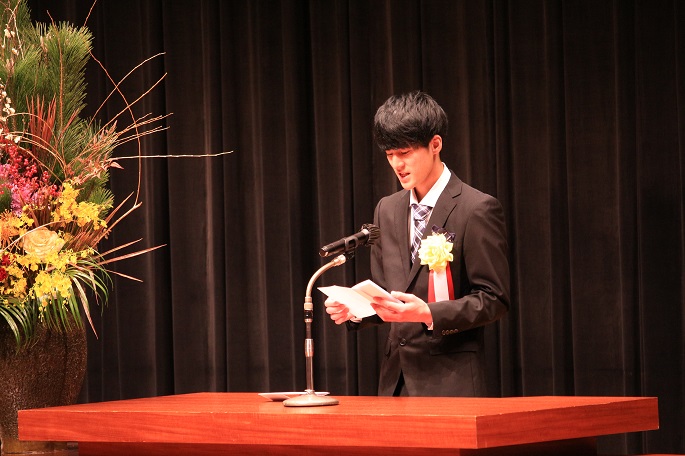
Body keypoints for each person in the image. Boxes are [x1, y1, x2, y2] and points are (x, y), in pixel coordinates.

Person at [325, 91, 510, 397]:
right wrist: (355, 309)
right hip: (395, 381)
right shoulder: (387, 208)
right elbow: (387, 294)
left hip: (452, 381)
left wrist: (428, 313)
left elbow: (493, 299)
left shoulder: (476, 208)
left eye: (405, 152)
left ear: (435, 144)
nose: (397, 164)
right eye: (389, 155)